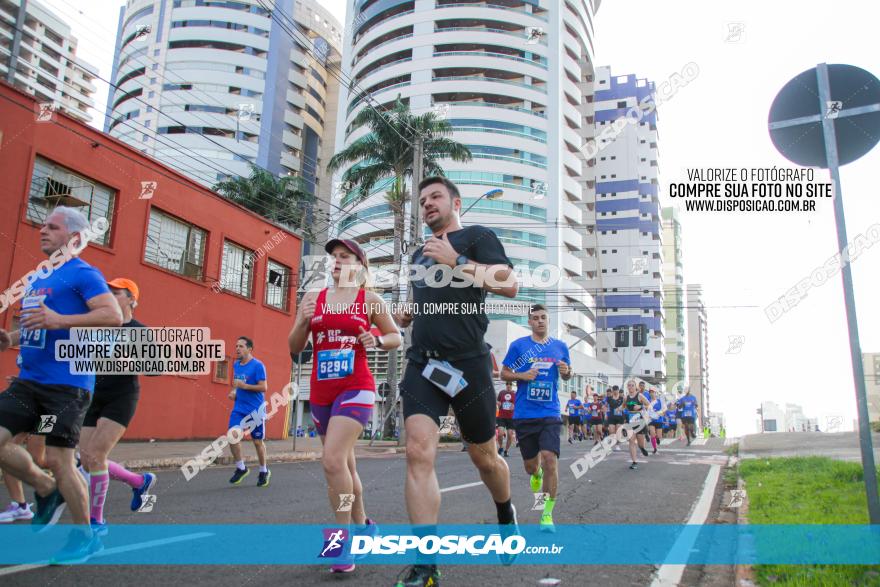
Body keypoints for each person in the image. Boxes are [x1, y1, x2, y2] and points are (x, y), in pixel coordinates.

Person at [393, 176, 519, 586]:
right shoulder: (419, 254)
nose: (427, 204)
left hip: (469, 366)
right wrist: (408, 314)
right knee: (417, 452)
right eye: (422, 200)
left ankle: (505, 512)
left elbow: (510, 285)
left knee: (484, 457)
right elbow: (423, 299)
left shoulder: (477, 237)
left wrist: (456, 261)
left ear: (455, 202)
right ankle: (426, 564)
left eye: (435, 197)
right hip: (423, 366)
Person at [0, 206, 122, 562]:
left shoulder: (84, 273)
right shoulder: (40, 277)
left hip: (67, 386)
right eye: (42, 225)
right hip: (28, 382)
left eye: (52, 227)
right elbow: (41, 328)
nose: (42, 231)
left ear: (73, 238)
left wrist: (60, 319)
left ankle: (86, 537)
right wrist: (12, 337)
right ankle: (44, 488)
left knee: (59, 458)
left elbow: (111, 315)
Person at [289, 238, 401, 574]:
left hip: (357, 387)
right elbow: (296, 347)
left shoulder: (369, 300)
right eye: (333, 257)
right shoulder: (313, 299)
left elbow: (396, 336)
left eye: (344, 257)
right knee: (346, 468)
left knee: (332, 460)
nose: (336, 262)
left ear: (360, 266)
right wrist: (301, 323)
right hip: (322, 392)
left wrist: (377, 339)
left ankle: (342, 543)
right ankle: (366, 526)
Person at [78, 278, 157, 535]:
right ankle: (138, 481)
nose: (110, 295)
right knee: (87, 459)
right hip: (95, 395)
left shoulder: (140, 331)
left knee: (97, 455)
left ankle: (97, 521)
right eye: (108, 292)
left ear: (131, 299)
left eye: (117, 293)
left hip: (122, 396)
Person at [501, 304, 571, 533]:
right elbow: (504, 373)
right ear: (529, 322)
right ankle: (536, 473)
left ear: (548, 321)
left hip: (550, 411)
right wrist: (522, 375)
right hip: (524, 414)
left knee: (550, 458)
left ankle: (547, 515)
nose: (540, 321)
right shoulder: (519, 346)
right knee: (532, 467)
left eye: (543, 317)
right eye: (535, 318)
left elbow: (569, 373)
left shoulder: (559, 347)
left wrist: (566, 371)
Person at [225, 337, 271, 487]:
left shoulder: (258, 366)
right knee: (232, 437)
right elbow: (238, 384)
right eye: (236, 346)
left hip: (255, 410)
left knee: (257, 442)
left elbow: (263, 387)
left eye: (241, 346)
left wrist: (244, 387)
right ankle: (241, 468)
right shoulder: (236, 364)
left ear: (250, 349)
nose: (237, 348)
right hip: (239, 409)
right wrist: (234, 392)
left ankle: (263, 471)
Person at [0, 433, 45, 522]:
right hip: (31, 420)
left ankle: (70, 472)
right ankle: (21, 506)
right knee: (7, 452)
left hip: (46, 419)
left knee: (8, 450)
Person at [623, 380, 650, 469]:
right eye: (629, 385)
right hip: (630, 420)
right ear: (627, 387)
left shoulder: (640, 396)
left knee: (640, 443)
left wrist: (641, 406)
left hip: (639, 421)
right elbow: (623, 406)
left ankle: (642, 448)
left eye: (632, 385)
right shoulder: (626, 397)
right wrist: (620, 409)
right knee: (631, 441)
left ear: (635, 387)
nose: (630, 387)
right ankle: (634, 462)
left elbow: (649, 405)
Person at [496, 381, 516, 457]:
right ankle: (501, 447)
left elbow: (518, 404)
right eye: (507, 383)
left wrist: (514, 406)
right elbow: (497, 401)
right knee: (500, 434)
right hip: (502, 416)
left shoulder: (515, 394)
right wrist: (498, 403)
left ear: (512, 385)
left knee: (510, 435)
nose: (508, 385)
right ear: (506, 385)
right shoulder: (501, 393)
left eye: (510, 384)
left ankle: (506, 450)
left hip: (511, 417)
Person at [605, 386, 625, 451]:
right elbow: (606, 406)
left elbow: (625, 406)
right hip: (611, 417)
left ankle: (617, 445)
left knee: (618, 432)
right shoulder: (609, 398)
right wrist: (605, 414)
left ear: (618, 390)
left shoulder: (622, 398)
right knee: (611, 432)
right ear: (612, 391)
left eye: (616, 390)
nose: (615, 391)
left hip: (620, 417)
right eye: (614, 390)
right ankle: (611, 444)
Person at [646, 389, 664, 454]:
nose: (651, 393)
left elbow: (664, 410)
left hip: (659, 420)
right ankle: (655, 448)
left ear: (655, 393)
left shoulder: (659, 401)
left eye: (652, 392)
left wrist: (659, 412)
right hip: (651, 420)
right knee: (652, 434)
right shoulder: (648, 402)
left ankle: (657, 438)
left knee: (659, 436)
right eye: (650, 392)